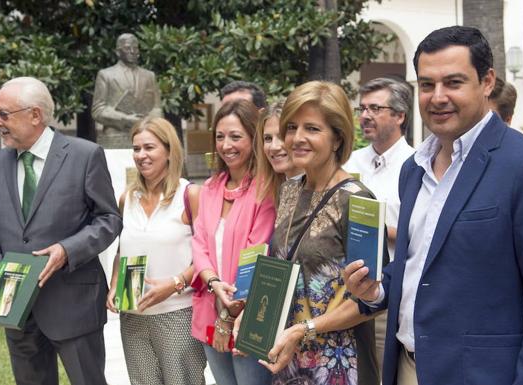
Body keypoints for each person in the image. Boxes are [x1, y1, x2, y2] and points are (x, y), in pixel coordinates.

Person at [344, 26, 523, 385]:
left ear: (486, 82)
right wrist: (376, 290)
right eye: (426, 85)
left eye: (453, 82)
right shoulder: (413, 170)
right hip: (405, 368)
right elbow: (417, 263)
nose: (437, 97)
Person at [0, 77, 122, 385]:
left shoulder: (85, 155)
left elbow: (109, 219)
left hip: (74, 304)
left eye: (4, 114)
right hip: (15, 306)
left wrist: (67, 250)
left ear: (35, 115)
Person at [260, 81, 380, 385]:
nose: (297, 138)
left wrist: (306, 329)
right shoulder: (288, 190)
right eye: (292, 127)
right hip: (290, 357)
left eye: (312, 129)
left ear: (338, 138)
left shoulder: (357, 199)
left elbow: (371, 300)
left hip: (340, 363)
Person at [106, 117, 206, 385]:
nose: (141, 155)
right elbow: (120, 251)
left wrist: (175, 284)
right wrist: (116, 283)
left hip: (178, 313)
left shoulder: (191, 195)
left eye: (149, 148)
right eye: (136, 148)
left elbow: (208, 258)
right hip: (133, 317)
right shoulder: (127, 198)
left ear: (169, 151)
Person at [191, 99, 276, 385]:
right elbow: (199, 242)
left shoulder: (265, 189)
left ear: (253, 138)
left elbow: (257, 250)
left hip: (248, 314)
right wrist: (215, 284)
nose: (226, 145)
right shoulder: (211, 188)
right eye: (220, 136)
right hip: (210, 307)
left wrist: (230, 310)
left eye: (236, 136)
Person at [343, 77, 415, 376]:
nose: (365, 115)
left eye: (376, 108)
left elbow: (425, 233)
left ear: (400, 116)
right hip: (344, 290)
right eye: (362, 108)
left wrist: (381, 231)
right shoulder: (351, 162)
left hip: (387, 294)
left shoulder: (416, 165)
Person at [92, 33, 162, 146]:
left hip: (145, 133)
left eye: (135, 48)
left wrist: (147, 121)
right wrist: (126, 119)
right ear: (118, 52)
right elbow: (98, 110)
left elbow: (157, 107)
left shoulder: (149, 76)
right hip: (115, 135)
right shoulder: (106, 75)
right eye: (127, 48)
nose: (132, 51)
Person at [255, 99, 303, 202]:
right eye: (268, 138)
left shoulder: (328, 192)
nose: (274, 147)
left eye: (282, 136)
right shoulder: (275, 191)